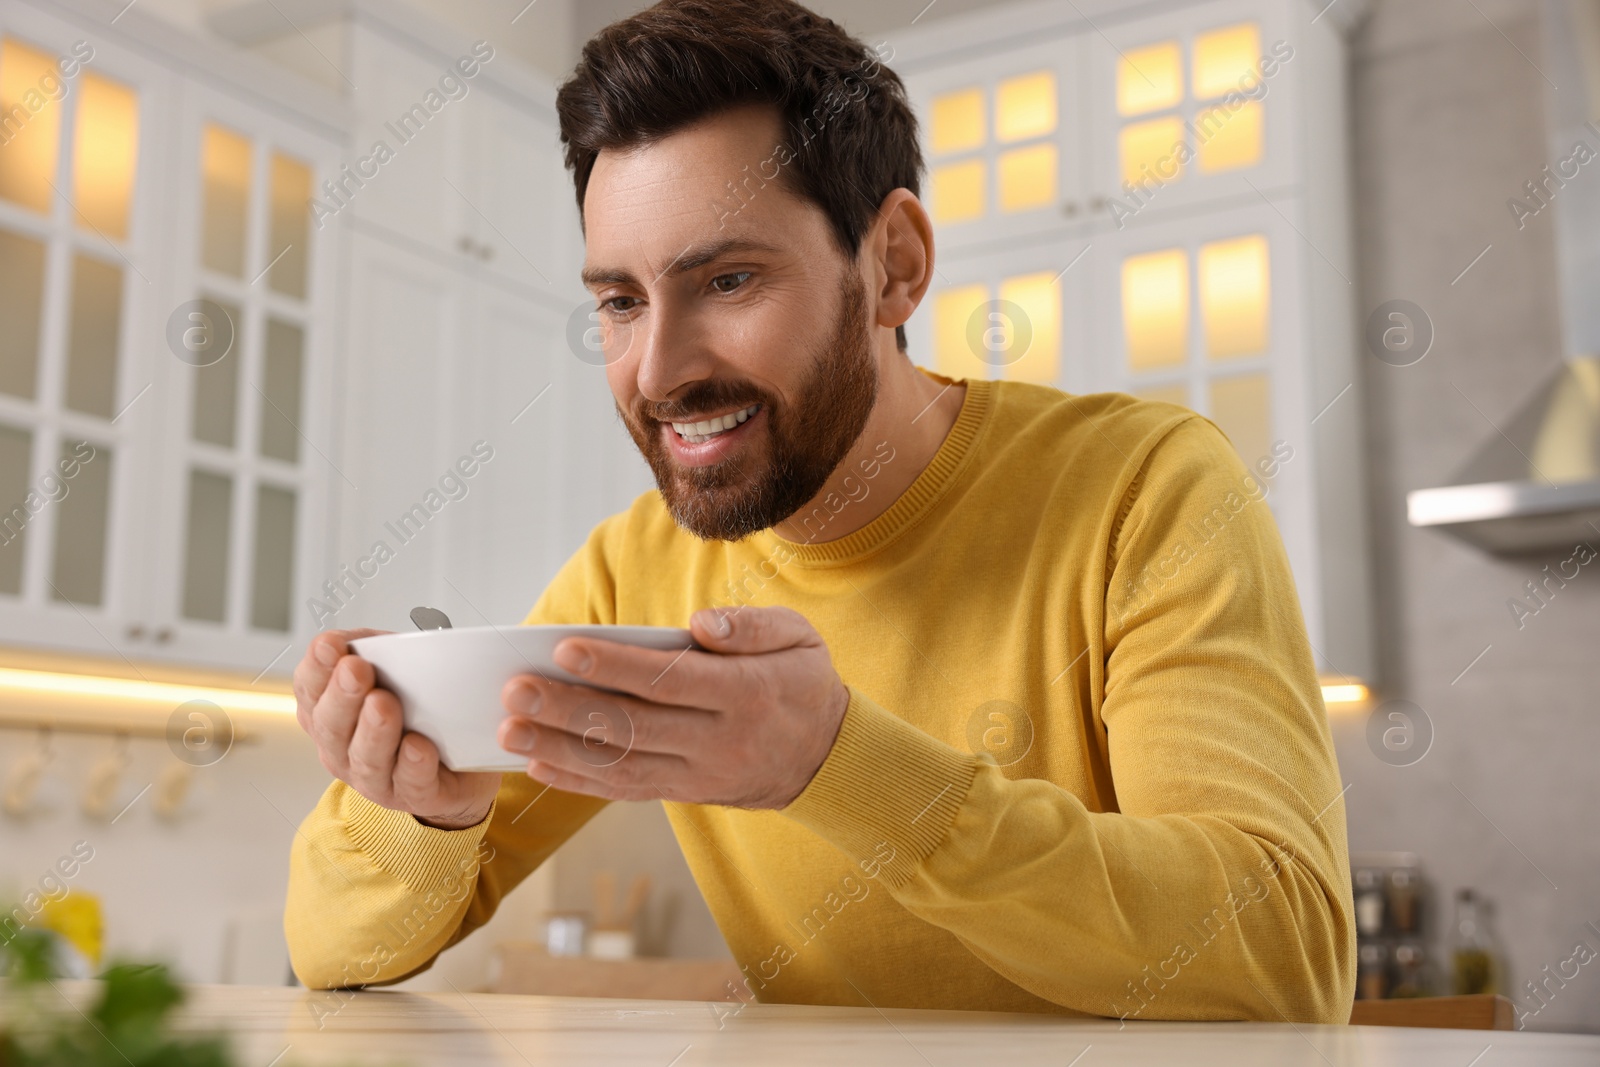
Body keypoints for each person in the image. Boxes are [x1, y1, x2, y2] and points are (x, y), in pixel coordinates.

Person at [285, 0, 1355, 1023]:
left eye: (730, 280)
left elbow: (1285, 954)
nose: (656, 370)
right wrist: (427, 803)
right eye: (619, 301)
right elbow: (329, 950)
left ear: (893, 266)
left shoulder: (1143, 490)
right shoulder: (632, 571)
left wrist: (832, 762)